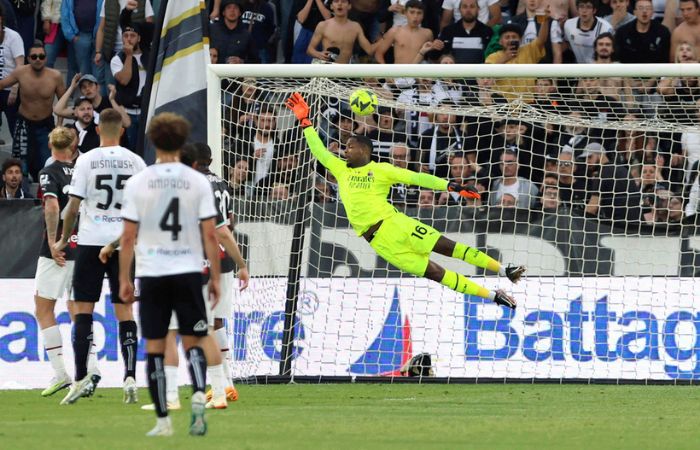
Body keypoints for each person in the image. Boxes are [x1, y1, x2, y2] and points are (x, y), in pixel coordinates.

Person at [286, 92, 524, 308]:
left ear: (364, 150)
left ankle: (505, 270)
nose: (344, 150)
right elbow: (318, 150)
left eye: (349, 146)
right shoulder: (341, 169)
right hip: (380, 243)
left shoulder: (382, 170)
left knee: (449, 248)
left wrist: (451, 185)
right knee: (436, 273)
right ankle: (493, 296)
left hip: (396, 224)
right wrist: (305, 121)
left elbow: (417, 177)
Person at [118, 113, 222, 436]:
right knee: (194, 341)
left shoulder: (138, 181)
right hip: (189, 271)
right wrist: (215, 277)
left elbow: (127, 237)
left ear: (153, 141)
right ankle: (199, 406)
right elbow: (210, 235)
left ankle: (163, 421)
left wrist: (125, 278)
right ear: (181, 141)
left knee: (156, 345)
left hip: (152, 273)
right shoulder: (197, 181)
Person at [53, 108, 147, 405]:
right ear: (121, 130)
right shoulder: (136, 162)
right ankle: (130, 376)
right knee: (125, 312)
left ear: (97, 130)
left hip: (92, 242)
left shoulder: (87, 159)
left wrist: (64, 238)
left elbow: (72, 206)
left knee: (83, 310)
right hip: (123, 244)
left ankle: (80, 378)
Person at [34, 127, 90, 397]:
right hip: (85, 247)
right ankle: (90, 370)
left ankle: (61, 374)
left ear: (49, 144)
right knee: (78, 309)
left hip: (58, 250)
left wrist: (56, 241)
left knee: (43, 308)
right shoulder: (84, 172)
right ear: (74, 144)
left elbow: (53, 206)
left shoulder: (49, 172)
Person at [0, 41, 66, 181]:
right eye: (34, 56)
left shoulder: (55, 76)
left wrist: (59, 126)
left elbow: (63, 102)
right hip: (24, 124)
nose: (38, 59)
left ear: (46, 58)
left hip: (46, 125)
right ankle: (21, 196)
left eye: (41, 56)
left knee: (47, 164)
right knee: (20, 165)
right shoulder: (20, 72)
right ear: (28, 58)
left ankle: (44, 196)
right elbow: (2, 84)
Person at [484, 19, 551, 102]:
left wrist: (545, 20)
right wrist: (504, 58)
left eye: (514, 37)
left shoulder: (529, 50)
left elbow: (542, 40)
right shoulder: (492, 57)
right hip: (502, 105)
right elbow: (487, 77)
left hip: (527, 104)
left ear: (520, 40)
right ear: (500, 41)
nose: (511, 40)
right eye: (507, 37)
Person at [111, 20, 148, 149]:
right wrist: (129, 56)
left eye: (132, 36)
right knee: (129, 150)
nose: (128, 39)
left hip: (147, 111)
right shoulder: (117, 59)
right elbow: (124, 80)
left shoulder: (150, 56)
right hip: (127, 113)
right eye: (125, 35)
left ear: (139, 38)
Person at [306, 0, 376, 63]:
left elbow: (369, 50)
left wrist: (384, 38)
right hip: (327, 70)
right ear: (331, 6)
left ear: (349, 6)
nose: (340, 4)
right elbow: (310, 49)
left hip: (344, 71)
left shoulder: (355, 27)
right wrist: (318, 54)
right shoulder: (323, 25)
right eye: (336, 1)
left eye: (343, 1)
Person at [53, 73, 132, 127]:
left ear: (98, 87)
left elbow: (127, 123)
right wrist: (72, 87)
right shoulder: (83, 108)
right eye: (84, 87)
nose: (87, 89)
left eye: (90, 85)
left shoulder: (111, 100)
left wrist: (112, 100)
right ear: (81, 92)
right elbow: (58, 110)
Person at [437, 0, 493, 64]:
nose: (468, 10)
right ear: (459, 10)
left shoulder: (487, 31)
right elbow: (435, 56)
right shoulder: (448, 31)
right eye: (464, 7)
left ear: (478, 9)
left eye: (472, 6)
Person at [0, 8, 24, 139]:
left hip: (10, 88)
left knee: (14, 126)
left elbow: (20, 65)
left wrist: (14, 90)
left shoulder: (13, 37)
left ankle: (18, 156)